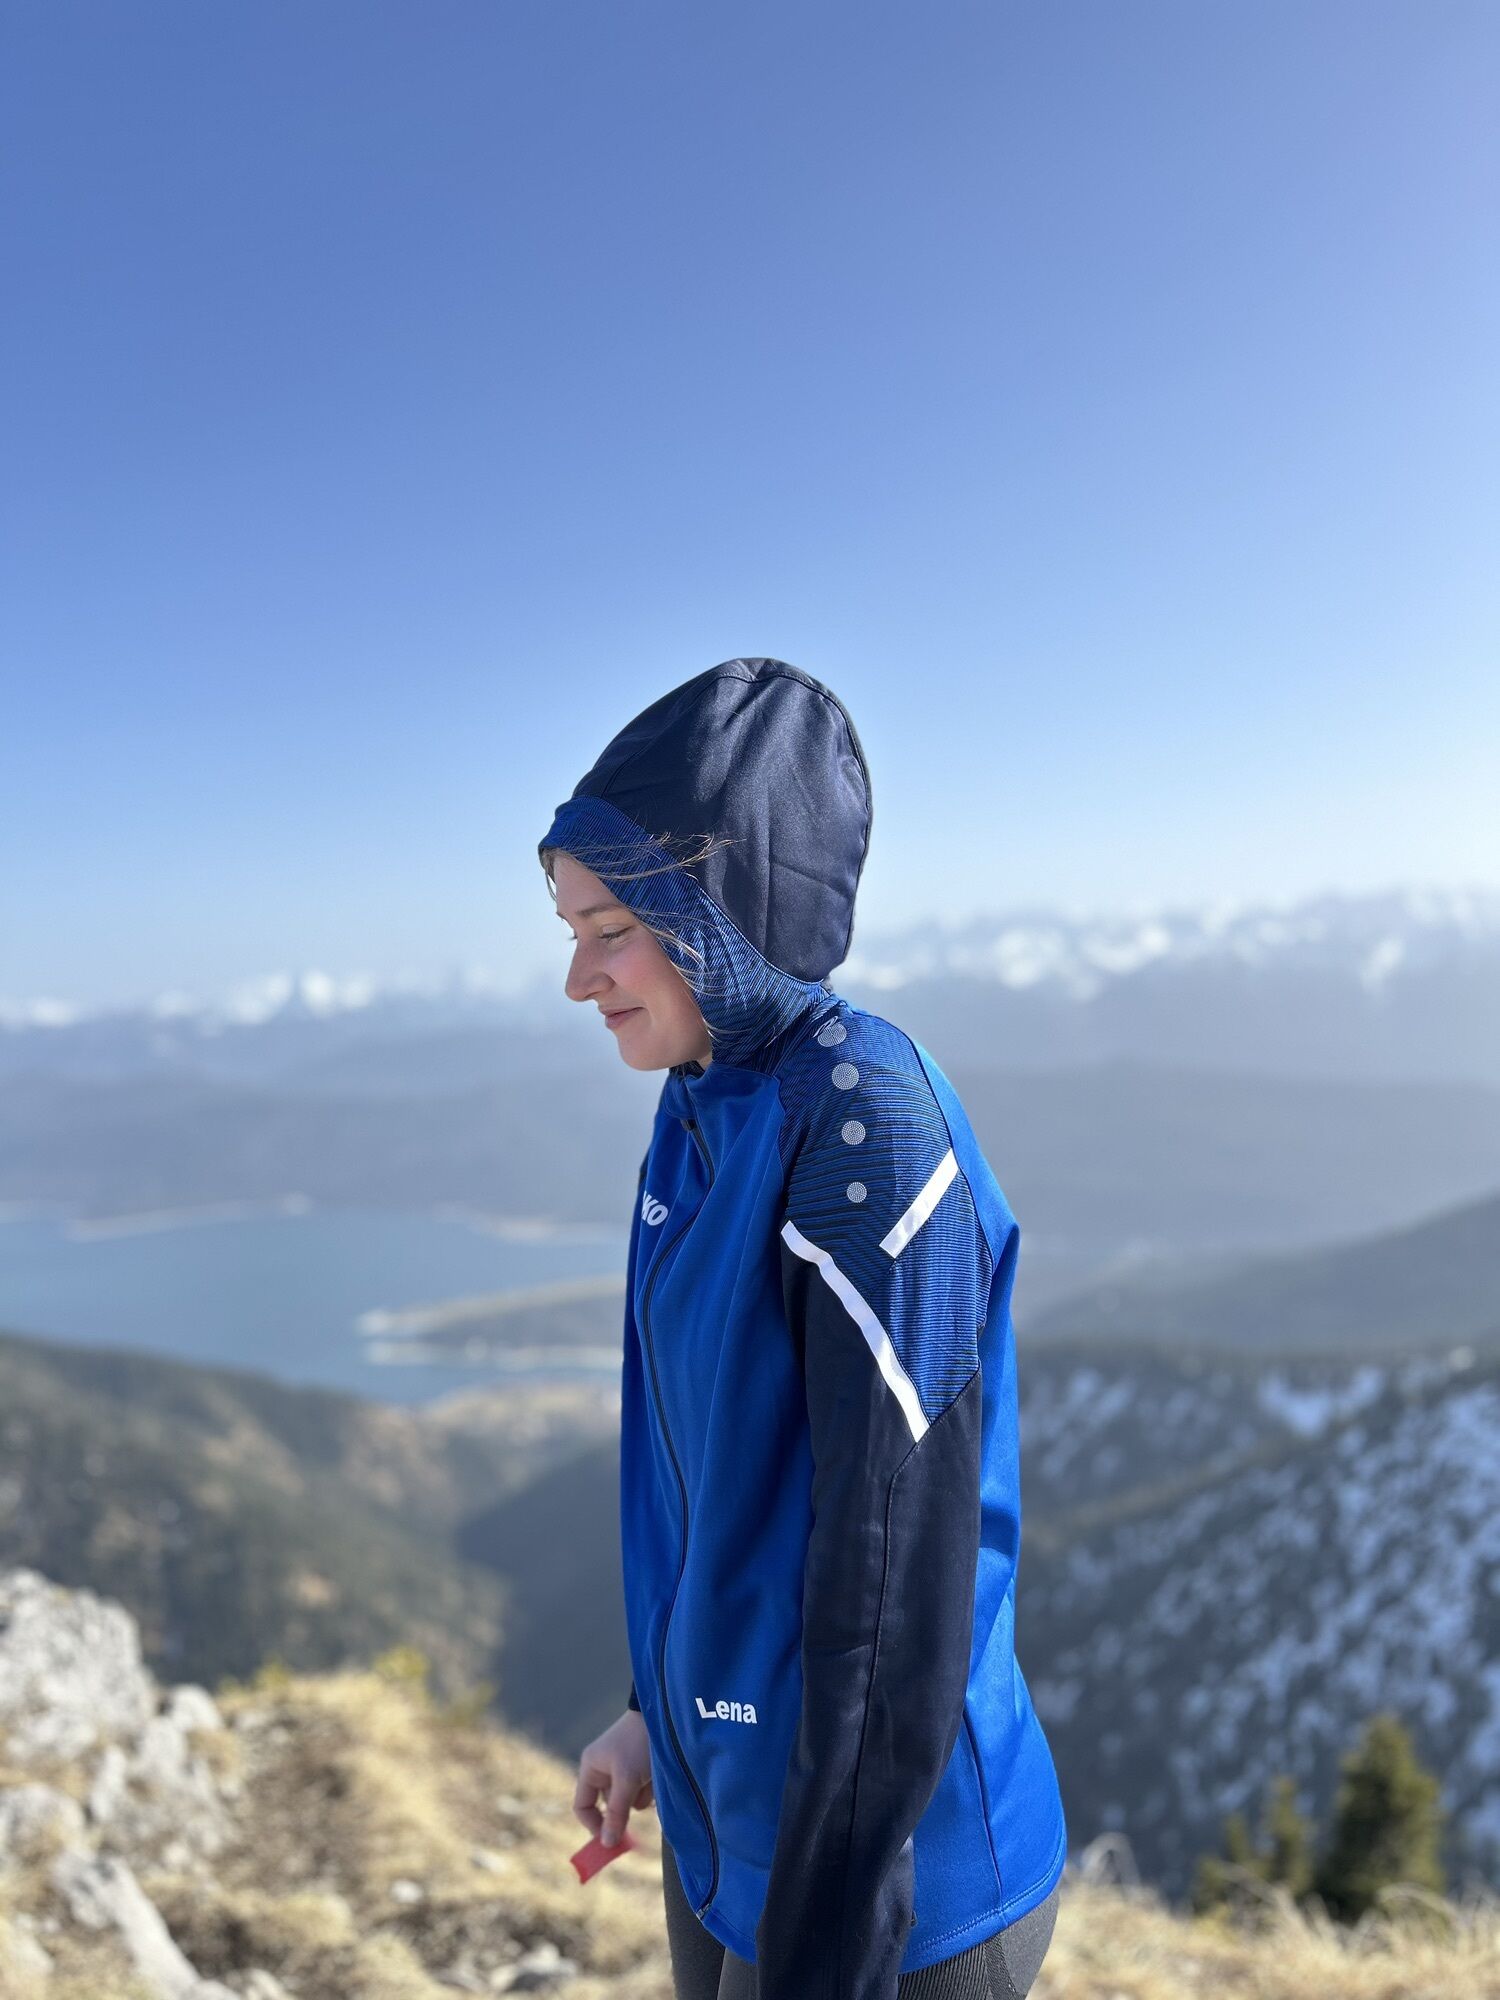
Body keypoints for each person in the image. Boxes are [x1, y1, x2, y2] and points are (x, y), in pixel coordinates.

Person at [542, 658, 1066, 2000]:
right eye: (571, 929)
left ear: (717, 914)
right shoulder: (706, 1096)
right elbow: (718, 1476)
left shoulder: (865, 1137)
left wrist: (830, 1941)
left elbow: (893, 1591)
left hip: (886, 1884)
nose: (578, 977)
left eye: (611, 928)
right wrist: (656, 1713)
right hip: (738, 1817)